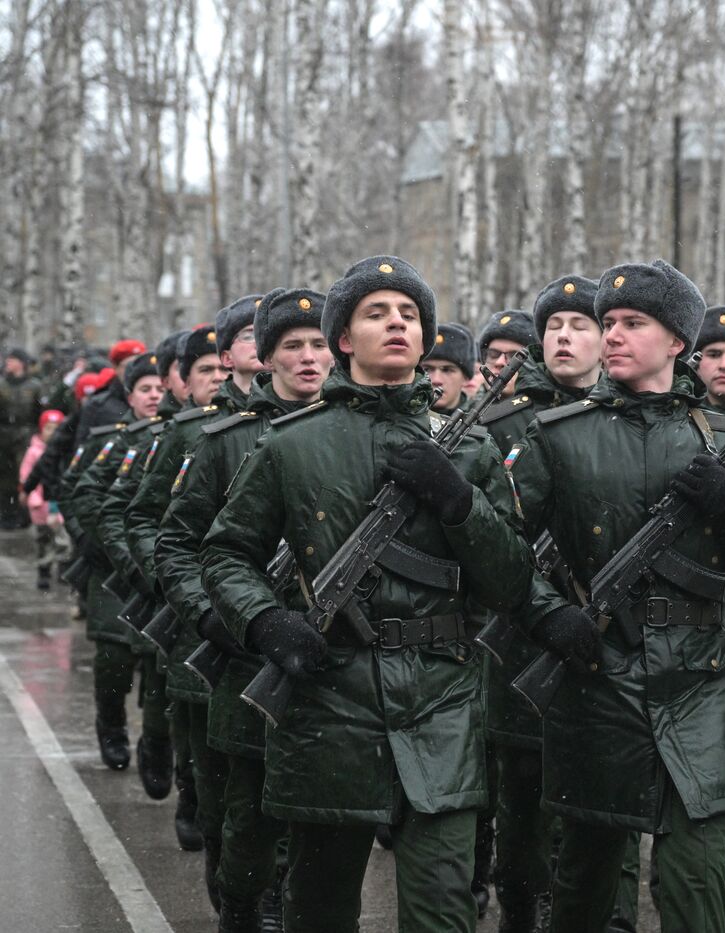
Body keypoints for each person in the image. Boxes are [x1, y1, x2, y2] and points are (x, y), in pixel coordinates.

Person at [201, 256, 534, 933]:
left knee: (443, 907)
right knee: (319, 908)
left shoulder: (466, 451)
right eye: (377, 313)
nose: (398, 325)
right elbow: (225, 551)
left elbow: (513, 580)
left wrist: (459, 501)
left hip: (441, 697)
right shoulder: (291, 445)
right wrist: (265, 621)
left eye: (409, 315)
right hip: (327, 697)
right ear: (344, 339)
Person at [506, 260, 725, 933]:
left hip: (697, 679)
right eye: (606, 322)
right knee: (584, 878)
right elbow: (499, 548)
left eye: (631, 323)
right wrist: (547, 612)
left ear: (677, 341)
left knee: (696, 876)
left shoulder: (723, 441)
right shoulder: (561, 435)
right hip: (596, 673)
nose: (611, 334)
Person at [157, 288, 334, 931]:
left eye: (319, 344)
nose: (309, 358)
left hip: (329, 652)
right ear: (265, 357)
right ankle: (240, 907)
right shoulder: (223, 440)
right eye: (293, 346)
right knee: (248, 814)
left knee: (317, 817)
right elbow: (176, 543)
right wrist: (215, 617)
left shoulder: (352, 436)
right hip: (248, 650)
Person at [478, 273, 604, 932]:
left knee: (591, 793)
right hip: (522, 633)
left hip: (598, 634)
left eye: (579, 324)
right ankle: (519, 903)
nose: (563, 336)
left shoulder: (625, 414)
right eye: (553, 326)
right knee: (520, 791)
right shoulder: (503, 421)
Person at [129, 320, 232, 858]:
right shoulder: (188, 435)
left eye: (222, 367)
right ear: (184, 382)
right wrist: (170, 579)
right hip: (195, 604)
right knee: (195, 719)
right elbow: (142, 517)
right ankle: (191, 792)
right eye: (205, 370)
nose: (217, 377)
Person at [65, 352, 167, 772]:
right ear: (130, 395)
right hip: (111, 571)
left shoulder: (171, 438)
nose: (154, 396)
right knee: (113, 663)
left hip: (155, 572)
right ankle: (111, 727)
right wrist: (90, 540)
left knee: (156, 668)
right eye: (146, 389)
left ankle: (155, 742)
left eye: (160, 389)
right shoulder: (112, 442)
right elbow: (75, 492)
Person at [19, 409, 71, 589]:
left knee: (63, 538)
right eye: (49, 428)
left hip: (59, 504)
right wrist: (32, 497)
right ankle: (44, 569)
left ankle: (64, 568)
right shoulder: (34, 452)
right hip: (40, 506)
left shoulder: (66, 452)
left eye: (57, 428)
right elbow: (27, 476)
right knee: (43, 539)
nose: (53, 433)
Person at [0, 347, 43, 527]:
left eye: (12, 359)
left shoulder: (34, 386)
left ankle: (24, 516)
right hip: (3, 435)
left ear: (22, 364)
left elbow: (39, 412)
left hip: (26, 435)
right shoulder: (1, 385)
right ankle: (6, 515)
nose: (8, 362)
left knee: (24, 475)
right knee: (4, 476)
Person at [480, 309, 536, 399]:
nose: (499, 362)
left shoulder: (549, 409)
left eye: (514, 356)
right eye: (493, 354)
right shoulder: (467, 411)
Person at [424, 323, 477, 413]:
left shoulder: (484, 420)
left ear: (465, 378)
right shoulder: (401, 419)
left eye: (447, 370)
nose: (436, 380)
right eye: (427, 369)